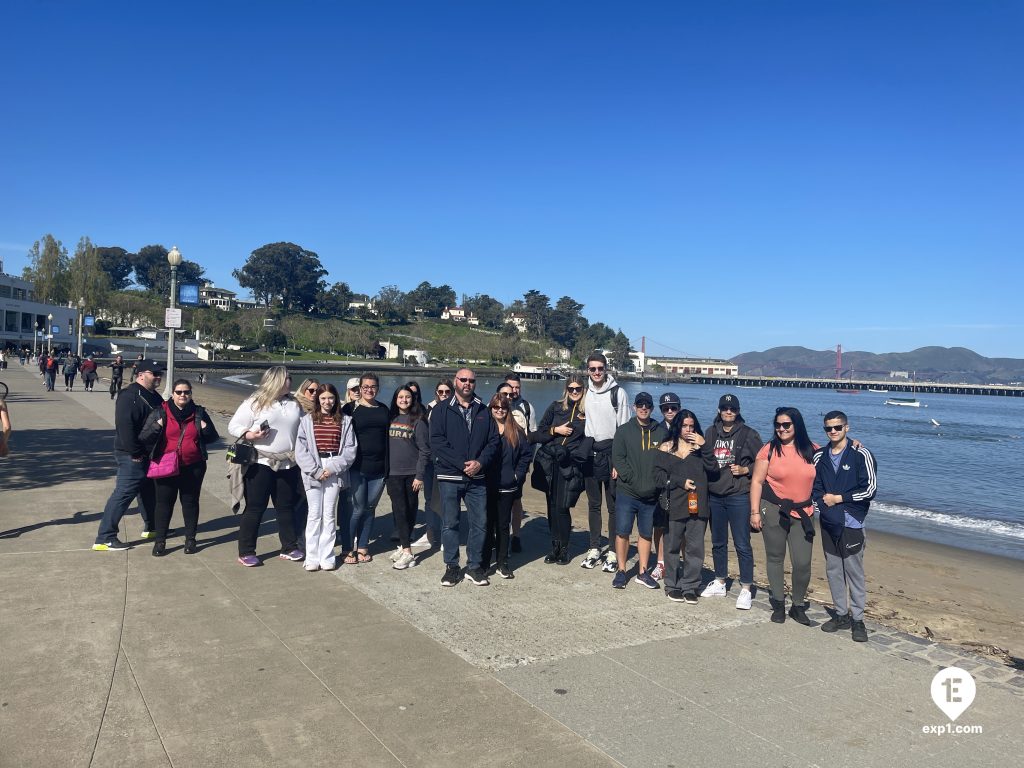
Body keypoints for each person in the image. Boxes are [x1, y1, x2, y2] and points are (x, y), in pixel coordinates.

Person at [228, 366, 305, 567]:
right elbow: (233, 426)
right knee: (255, 507)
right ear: (277, 380)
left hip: (288, 463)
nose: (291, 380)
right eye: (288, 377)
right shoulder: (255, 402)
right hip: (260, 463)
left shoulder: (294, 403)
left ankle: (289, 547)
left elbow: (302, 428)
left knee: (285, 507)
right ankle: (246, 551)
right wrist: (250, 434)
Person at [430, 367, 499, 587]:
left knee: (480, 523)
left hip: (477, 478)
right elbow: (438, 442)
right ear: (455, 381)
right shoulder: (441, 410)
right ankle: (452, 567)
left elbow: (493, 442)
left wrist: (479, 463)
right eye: (463, 380)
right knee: (450, 523)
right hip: (450, 476)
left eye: (471, 381)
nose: (467, 384)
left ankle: (475, 566)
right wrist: (462, 464)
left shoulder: (483, 410)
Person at [750, 406, 819, 624]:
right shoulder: (768, 449)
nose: (781, 429)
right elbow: (757, 481)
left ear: (796, 425)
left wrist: (854, 445)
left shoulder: (814, 450)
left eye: (786, 425)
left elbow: (837, 455)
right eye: (778, 425)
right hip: (773, 510)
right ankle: (778, 604)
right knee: (775, 558)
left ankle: (798, 606)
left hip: (804, 512)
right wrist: (754, 512)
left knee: (802, 563)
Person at [812, 411, 877, 643]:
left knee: (854, 573)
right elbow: (816, 488)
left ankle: (858, 619)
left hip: (852, 523)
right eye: (828, 428)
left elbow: (870, 490)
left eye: (837, 427)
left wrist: (839, 499)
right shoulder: (820, 455)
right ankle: (841, 614)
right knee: (833, 571)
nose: (833, 432)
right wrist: (824, 508)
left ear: (847, 428)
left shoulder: (861, 454)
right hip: (830, 523)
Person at [139, 378, 220, 555]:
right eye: (179, 392)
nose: (183, 395)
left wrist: (205, 428)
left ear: (191, 394)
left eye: (186, 392)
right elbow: (144, 437)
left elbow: (214, 437)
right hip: (166, 466)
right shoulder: (160, 412)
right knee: (163, 504)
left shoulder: (199, 413)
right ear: (172, 394)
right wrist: (156, 426)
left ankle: (190, 539)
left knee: (190, 502)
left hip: (193, 466)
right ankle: (160, 542)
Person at [93, 360, 164, 550]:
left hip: (148, 453)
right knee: (124, 493)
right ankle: (105, 537)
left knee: (148, 491)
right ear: (140, 374)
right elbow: (125, 427)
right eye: (154, 373)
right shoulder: (129, 395)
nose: (158, 377)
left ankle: (152, 527)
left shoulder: (153, 395)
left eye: (160, 374)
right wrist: (136, 453)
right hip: (131, 454)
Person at [702, 394, 763, 610]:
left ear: (738, 411)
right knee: (718, 541)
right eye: (725, 408)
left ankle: (746, 588)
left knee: (742, 543)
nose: (729, 412)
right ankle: (720, 580)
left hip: (738, 496)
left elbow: (765, 462)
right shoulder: (710, 433)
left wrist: (746, 469)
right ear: (719, 410)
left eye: (733, 409)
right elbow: (701, 459)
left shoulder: (749, 435)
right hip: (715, 496)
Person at [654, 409, 716, 603]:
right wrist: (680, 482)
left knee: (695, 548)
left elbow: (714, 470)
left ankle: (690, 585)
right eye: (684, 426)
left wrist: (704, 446)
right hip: (673, 504)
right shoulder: (666, 447)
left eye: (692, 426)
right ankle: (672, 585)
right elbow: (657, 477)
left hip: (698, 505)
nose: (688, 429)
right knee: (671, 546)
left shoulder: (701, 449)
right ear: (677, 426)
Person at [529, 374, 591, 565]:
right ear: (566, 390)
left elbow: (591, 438)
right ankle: (554, 547)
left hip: (570, 465)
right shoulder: (556, 407)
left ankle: (564, 549)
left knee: (562, 507)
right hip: (551, 463)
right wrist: (556, 430)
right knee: (551, 506)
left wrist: (575, 456)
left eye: (578, 389)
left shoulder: (589, 410)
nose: (574, 392)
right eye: (571, 389)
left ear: (583, 390)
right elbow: (538, 434)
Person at [295, 383, 357, 572]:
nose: (327, 401)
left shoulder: (345, 420)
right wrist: (315, 471)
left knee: (329, 514)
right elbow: (301, 449)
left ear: (336, 399)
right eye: (323, 398)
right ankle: (312, 556)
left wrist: (331, 469)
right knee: (314, 514)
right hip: (313, 469)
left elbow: (350, 450)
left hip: (334, 469)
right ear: (318, 400)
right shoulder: (307, 420)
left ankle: (327, 556)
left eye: (330, 398)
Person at [610, 392, 667, 589]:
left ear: (652, 408)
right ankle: (621, 570)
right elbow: (618, 457)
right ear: (634, 407)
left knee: (645, 533)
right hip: (628, 492)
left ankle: (643, 571)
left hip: (650, 496)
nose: (644, 408)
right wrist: (631, 479)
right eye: (640, 405)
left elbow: (666, 460)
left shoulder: (660, 432)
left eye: (647, 405)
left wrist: (655, 482)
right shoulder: (624, 431)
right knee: (623, 532)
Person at [581, 353, 631, 571]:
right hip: (592, 453)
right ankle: (594, 547)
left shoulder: (618, 393)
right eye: (592, 369)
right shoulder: (586, 393)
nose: (597, 372)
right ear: (588, 371)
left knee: (613, 507)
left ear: (606, 369)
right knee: (593, 504)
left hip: (612, 453)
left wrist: (618, 463)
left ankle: (612, 550)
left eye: (600, 368)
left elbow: (625, 430)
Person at [340, 373, 390, 564]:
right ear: (359, 388)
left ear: (378, 388)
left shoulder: (383, 409)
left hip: (379, 469)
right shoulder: (350, 409)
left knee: (370, 508)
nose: (370, 389)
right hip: (356, 468)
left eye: (373, 386)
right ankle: (347, 548)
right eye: (366, 386)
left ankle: (363, 546)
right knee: (356, 509)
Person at [481, 393, 532, 579]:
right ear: (491, 408)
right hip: (487, 485)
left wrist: (517, 475)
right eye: (496, 407)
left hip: (507, 486)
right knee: (487, 525)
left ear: (507, 409)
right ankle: (485, 563)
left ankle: (503, 563)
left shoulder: (516, 430)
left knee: (503, 526)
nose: (500, 410)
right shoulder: (484, 428)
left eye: (503, 407)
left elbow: (526, 455)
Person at [385, 385, 430, 570]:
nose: (404, 400)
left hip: (411, 474)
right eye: (400, 397)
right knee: (399, 511)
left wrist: (420, 475)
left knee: (410, 511)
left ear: (413, 400)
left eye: (407, 397)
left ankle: (406, 549)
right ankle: (406, 550)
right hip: (393, 474)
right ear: (395, 399)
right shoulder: (390, 419)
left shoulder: (418, 421)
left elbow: (425, 450)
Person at [411, 378, 453, 548]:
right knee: (429, 499)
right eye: (440, 392)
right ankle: (429, 534)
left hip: (448, 462)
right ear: (436, 393)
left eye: (447, 392)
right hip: (430, 462)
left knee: (445, 499)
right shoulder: (428, 410)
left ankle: (446, 535)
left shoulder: (456, 410)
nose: (443, 395)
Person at [650, 391, 683, 581]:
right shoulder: (657, 429)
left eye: (673, 407)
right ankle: (661, 563)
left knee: (682, 528)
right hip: (662, 486)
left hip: (681, 486)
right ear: (661, 410)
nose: (670, 411)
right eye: (665, 408)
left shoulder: (687, 427)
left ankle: (679, 563)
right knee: (660, 525)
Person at [504, 372, 536, 554]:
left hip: (518, 465)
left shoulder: (527, 407)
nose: (514, 391)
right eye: (511, 387)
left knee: (516, 502)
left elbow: (533, 436)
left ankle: (516, 536)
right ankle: (498, 536)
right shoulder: (494, 405)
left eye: (517, 387)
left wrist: (527, 463)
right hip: (499, 464)